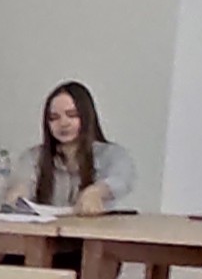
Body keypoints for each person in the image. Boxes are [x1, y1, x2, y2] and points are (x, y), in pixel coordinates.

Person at [10, 80, 134, 216]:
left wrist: (96, 192)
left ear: (87, 117)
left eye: (72, 115)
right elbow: (23, 184)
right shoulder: (33, 156)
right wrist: (17, 194)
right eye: (54, 117)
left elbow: (121, 179)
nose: (63, 123)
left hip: (94, 227)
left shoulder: (111, 154)